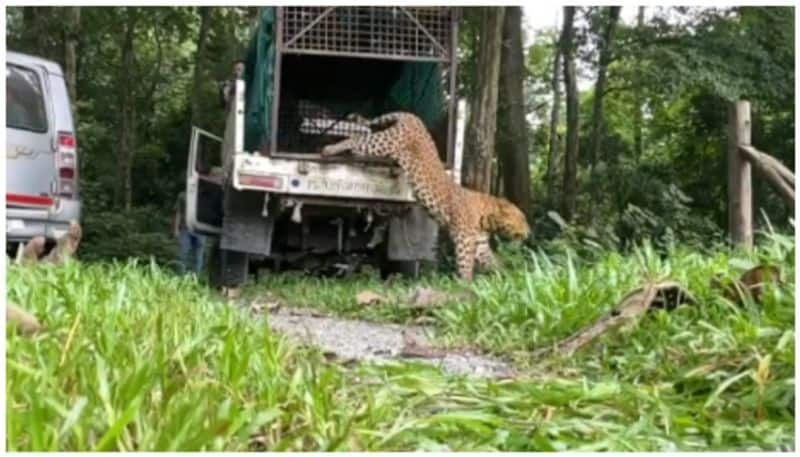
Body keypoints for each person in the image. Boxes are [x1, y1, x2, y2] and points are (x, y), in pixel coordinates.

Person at [173, 189, 205, 276]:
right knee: (182, 254)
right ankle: (180, 277)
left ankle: (196, 278)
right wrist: (176, 228)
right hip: (185, 228)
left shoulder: (205, 195)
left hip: (200, 230)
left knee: (198, 256)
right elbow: (178, 212)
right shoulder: (183, 195)